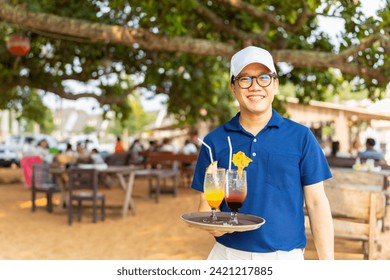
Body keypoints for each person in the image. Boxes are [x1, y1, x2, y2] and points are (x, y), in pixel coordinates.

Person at [191, 46, 334, 260]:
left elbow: (316, 203)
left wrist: (328, 266)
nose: (255, 86)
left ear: (275, 84)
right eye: (245, 79)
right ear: (233, 86)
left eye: (264, 77)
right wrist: (213, 226)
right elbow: (206, 203)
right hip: (228, 257)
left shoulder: (301, 137)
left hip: (285, 259)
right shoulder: (214, 142)